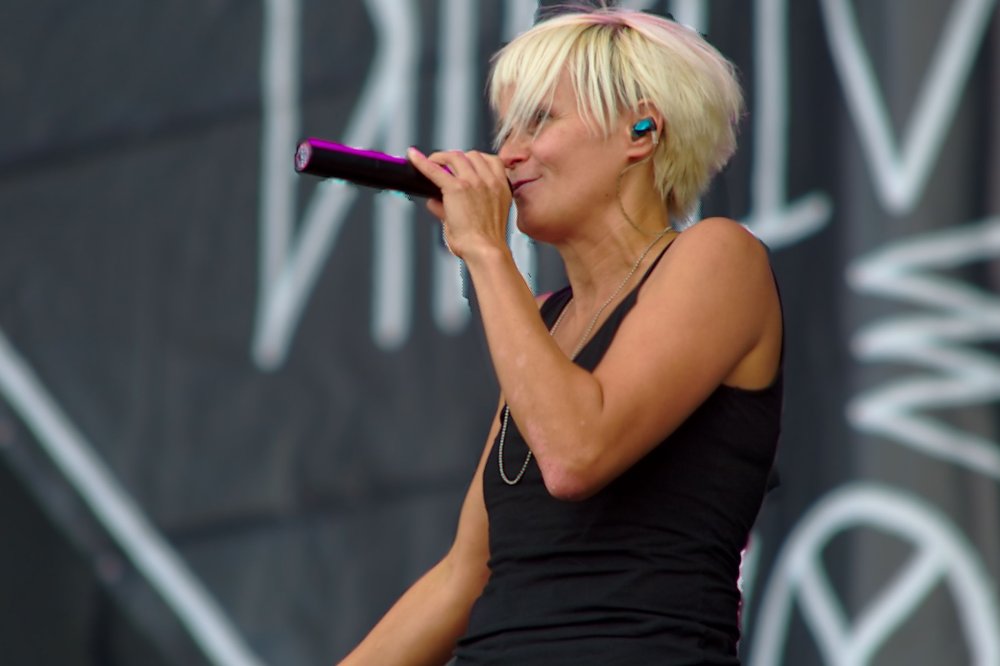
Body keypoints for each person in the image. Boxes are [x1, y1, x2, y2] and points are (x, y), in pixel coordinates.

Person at [340, 6, 782, 665]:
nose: (508, 153)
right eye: (506, 129)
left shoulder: (719, 258)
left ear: (641, 130)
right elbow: (464, 576)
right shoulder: (546, 321)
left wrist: (486, 251)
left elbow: (576, 454)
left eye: (539, 120)